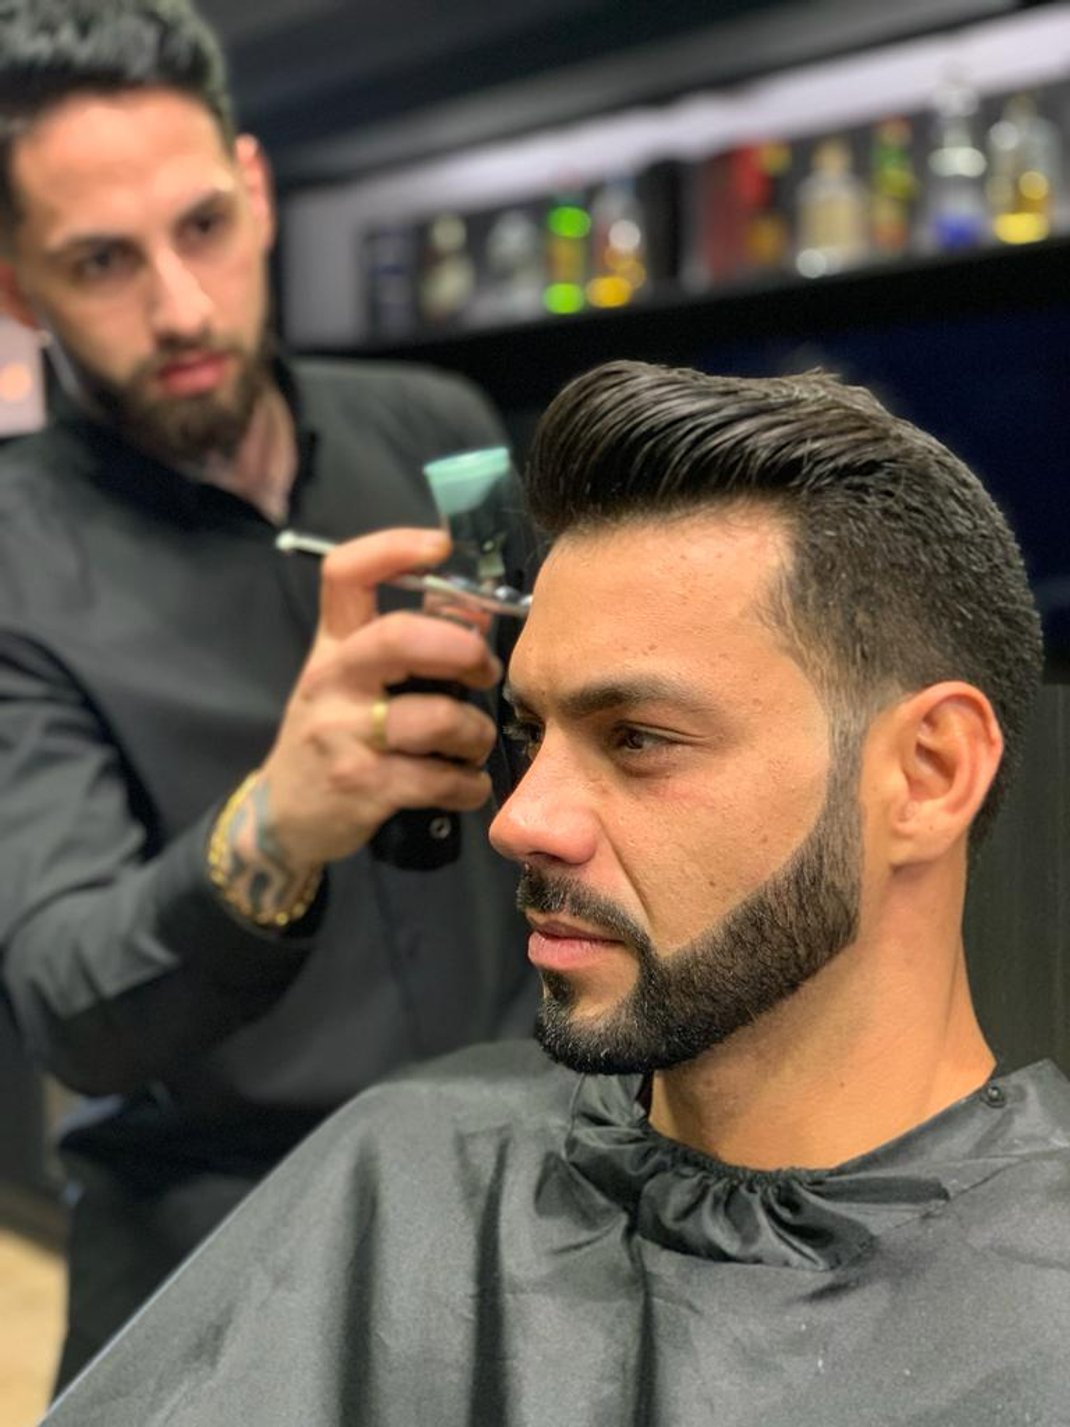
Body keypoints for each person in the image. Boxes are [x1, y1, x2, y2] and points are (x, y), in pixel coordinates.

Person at [41, 359, 1070, 1425]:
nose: (519, 819)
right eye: (529, 734)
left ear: (927, 774)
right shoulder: (408, 1171)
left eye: (638, 738)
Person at [0, 0, 536, 1388]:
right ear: (16, 284)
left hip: (518, 1181)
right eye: (102, 260)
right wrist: (282, 821)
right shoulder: (14, 562)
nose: (180, 306)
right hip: (214, 1246)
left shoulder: (443, 433)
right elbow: (71, 1000)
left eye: (201, 227)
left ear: (254, 191)